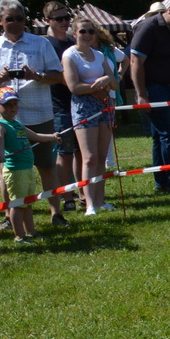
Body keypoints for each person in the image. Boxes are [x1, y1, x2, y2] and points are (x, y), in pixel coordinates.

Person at [0, 0, 70, 213]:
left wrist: (36, 76)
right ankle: (8, 215)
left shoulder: (40, 43)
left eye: (20, 18)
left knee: (47, 166)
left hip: (39, 115)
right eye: (10, 19)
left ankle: (56, 213)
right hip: (7, 120)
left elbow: (58, 76)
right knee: (7, 169)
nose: (15, 23)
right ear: (0, 20)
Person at [126, 0, 170, 194]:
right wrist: (141, 95)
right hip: (154, 88)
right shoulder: (149, 27)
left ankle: (161, 183)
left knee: (160, 136)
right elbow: (135, 61)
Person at [62, 18, 117, 213]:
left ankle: (101, 200)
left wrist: (106, 79)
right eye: (82, 31)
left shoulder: (100, 55)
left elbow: (115, 83)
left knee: (101, 157)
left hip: (104, 105)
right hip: (84, 107)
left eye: (90, 32)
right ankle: (89, 203)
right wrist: (97, 87)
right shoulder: (70, 55)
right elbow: (73, 86)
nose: (87, 35)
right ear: (74, 33)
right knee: (89, 158)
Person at [0, 87, 61, 241]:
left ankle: (31, 232)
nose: (12, 108)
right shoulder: (1, 125)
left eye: (15, 104)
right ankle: (19, 236)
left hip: (27, 170)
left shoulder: (17, 124)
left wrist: (52, 136)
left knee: (27, 203)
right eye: (8, 105)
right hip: (16, 171)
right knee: (17, 204)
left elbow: (35, 136)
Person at [43, 2, 79, 209]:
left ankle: (84, 193)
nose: (65, 22)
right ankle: (68, 197)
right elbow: (52, 75)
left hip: (79, 104)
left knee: (81, 153)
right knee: (64, 153)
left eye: (67, 18)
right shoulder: (46, 45)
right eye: (59, 19)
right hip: (59, 106)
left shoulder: (74, 42)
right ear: (48, 21)